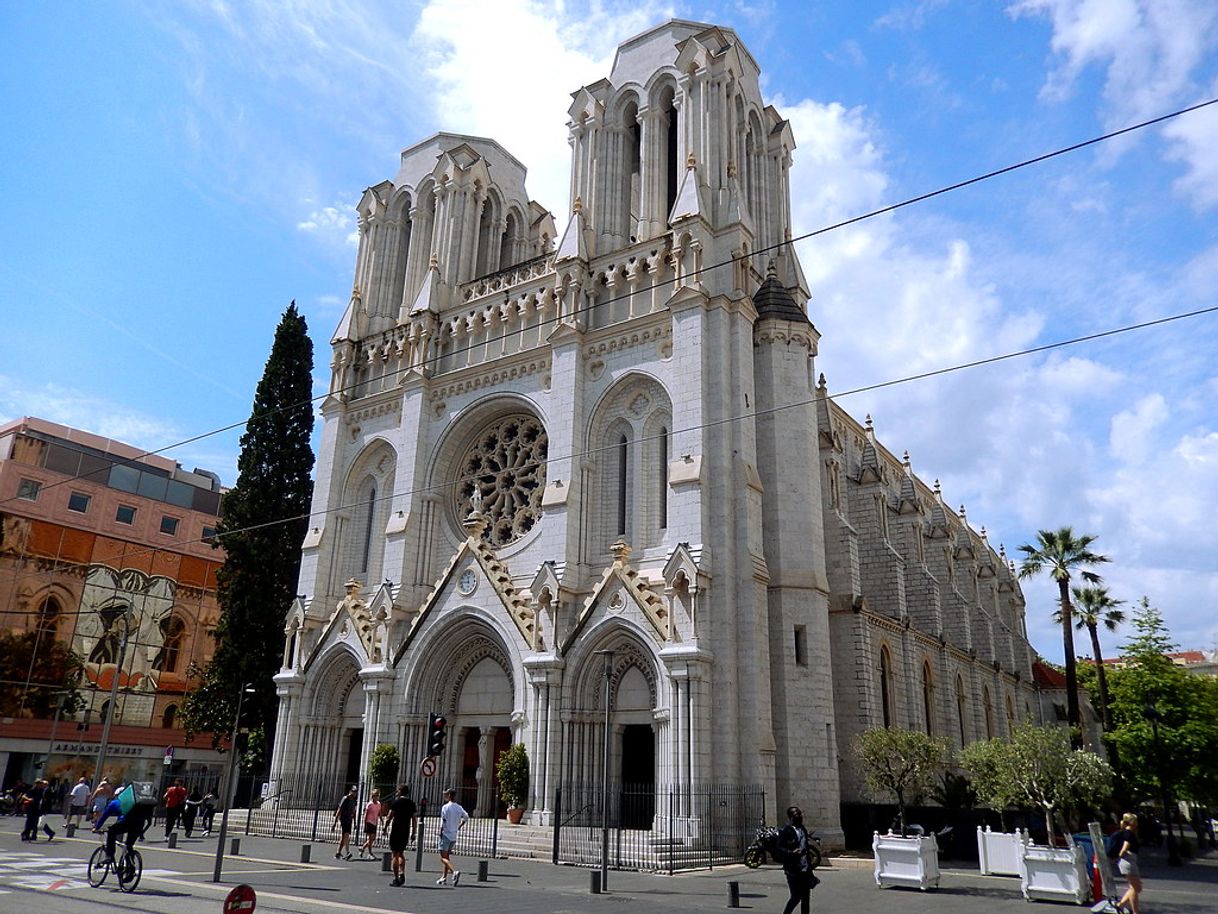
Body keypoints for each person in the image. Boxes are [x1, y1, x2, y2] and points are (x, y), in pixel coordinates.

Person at [776, 805, 819, 914]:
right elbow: (780, 849)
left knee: (806, 898)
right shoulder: (785, 831)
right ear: (791, 817)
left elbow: (806, 847)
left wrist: (810, 869)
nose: (800, 816)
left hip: (805, 869)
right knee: (795, 897)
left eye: (800, 813)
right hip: (792, 870)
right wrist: (791, 853)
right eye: (797, 814)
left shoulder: (803, 829)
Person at [93, 792, 155, 864]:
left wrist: (97, 827)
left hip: (127, 823)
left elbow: (104, 816)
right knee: (129, 846)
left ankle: (109, 855)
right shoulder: (136, 803)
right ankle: (130, 867)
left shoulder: (114, 803)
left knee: (111, 831)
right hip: (139, 824)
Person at [383, 784, 417, 887]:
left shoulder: (396, 803)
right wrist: (414, 832)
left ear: (400, 792)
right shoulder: (411, 803)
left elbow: (389, 816)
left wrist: (385, 827)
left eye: (398, 791)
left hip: (396, 830)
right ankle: (402, 872)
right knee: (401, 853)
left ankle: (396, 877)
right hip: (405, 831)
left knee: (395, 854)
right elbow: (414, 819)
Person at [436, 787, 468, 886]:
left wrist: (440, 830)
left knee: (442, 858)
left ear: (449, 795)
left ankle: (454, 871)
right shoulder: (459, 807)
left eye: (446, 794)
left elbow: (444, 820)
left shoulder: (445, 807)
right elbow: (466, 817)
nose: (445, 796)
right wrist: (459, 826)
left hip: (446, 834)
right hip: (454, 835)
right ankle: (444, 877)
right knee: (447, 857)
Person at [1114, 812, 1142, 914]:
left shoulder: (1125, 832)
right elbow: (1125, 847)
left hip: (1128, 861)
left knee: (1135, 887)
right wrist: (1119, 856)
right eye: (1135, 821)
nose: (1137, 823)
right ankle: (1135, 912)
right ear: (1131, 822)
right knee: (1135, 888)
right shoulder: (1129, 833)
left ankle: (1120, 905)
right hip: (1128, 861)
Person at [332, 787, 357, 860]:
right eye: (353, 791)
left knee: (343, 837)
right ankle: (347, 852)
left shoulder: (354, 800)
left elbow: (354, 812)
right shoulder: (345, 799)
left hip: (349, 820)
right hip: (344, 819)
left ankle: (338, 853)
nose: (355, 793)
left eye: (356, 792)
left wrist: (355, 823)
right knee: (346, 835)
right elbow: (339, 810)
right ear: (350, 791)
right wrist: (335, 822)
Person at [359, 789, 383, 859]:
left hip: (375, 822)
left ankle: (362, 848)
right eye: (375, 796)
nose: (376, 797)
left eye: (377, 796)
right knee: (370, 838)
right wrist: (365, 822)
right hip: (369, 822)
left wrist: (381, 820)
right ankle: (370, 853)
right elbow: (366, 814)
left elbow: (379, 813)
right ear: (372, 796)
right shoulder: (370, 804)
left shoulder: (379, 804)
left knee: (373, 838)